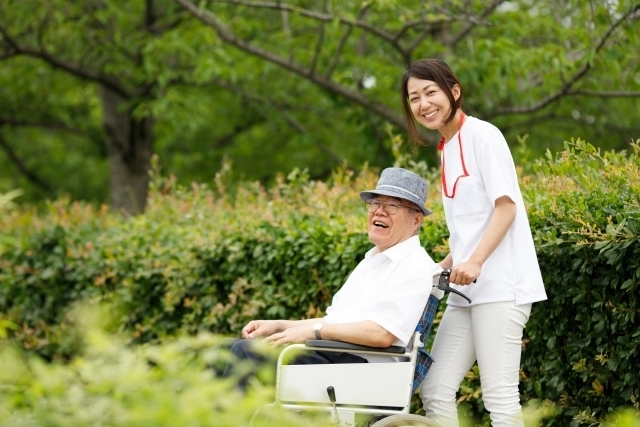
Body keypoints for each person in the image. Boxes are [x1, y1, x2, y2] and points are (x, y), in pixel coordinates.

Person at [400, 58, 547, 427]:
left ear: (454, 90)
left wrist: (477, 262)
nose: (423, 104)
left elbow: (506, 207)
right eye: (414, 98)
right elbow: (471, 226)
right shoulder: (446, 148)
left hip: (501, 287)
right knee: (433, 389)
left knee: (500, 400)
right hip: (468, 293)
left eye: (430, 92)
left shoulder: (484, 135)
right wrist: (443, 266)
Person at [222, 167, 444, 388]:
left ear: (416, 220)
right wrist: (279, 325)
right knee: (223, 350)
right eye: (375, 203)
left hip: (363, 372)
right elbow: (335, 321)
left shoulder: (414, 266)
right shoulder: (370, 262)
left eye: (392, 206)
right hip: (335, 358)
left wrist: (314, 332)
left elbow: (382, 334)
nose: (379, 211)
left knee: (245, 352)